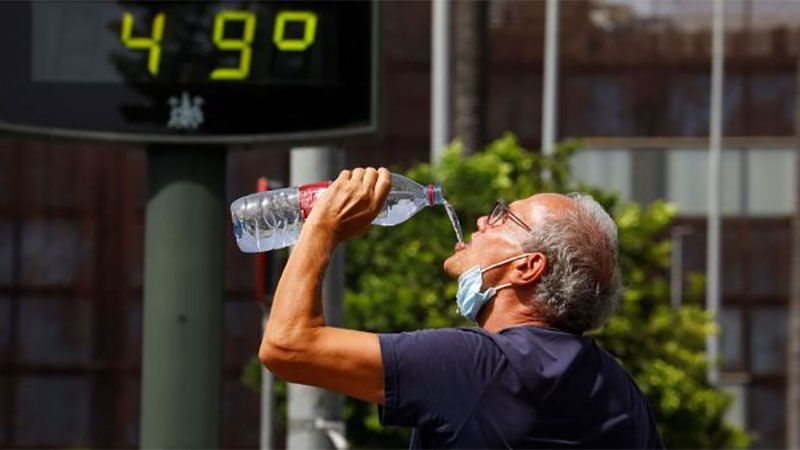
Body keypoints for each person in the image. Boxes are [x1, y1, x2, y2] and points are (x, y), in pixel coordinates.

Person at [259, 167, 664, 449]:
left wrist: (322, 226)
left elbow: (287, 345)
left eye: (505, 217)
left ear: (527, 267)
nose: (484, 220)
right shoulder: (620, 390)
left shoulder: (478, 367)